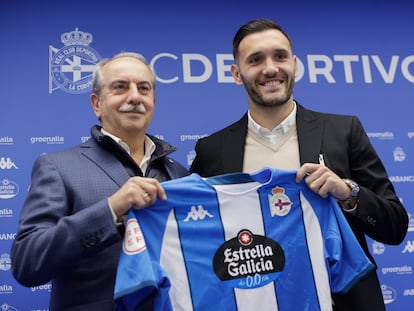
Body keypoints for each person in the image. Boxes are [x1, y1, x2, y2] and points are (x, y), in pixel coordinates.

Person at [190, 19, 408, 311]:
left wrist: (348, 192)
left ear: (294, 64)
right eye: (255, 60)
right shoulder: (211, 150)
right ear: (236, 74)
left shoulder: (343, 131)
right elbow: (198, 242)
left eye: (280, 56)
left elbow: (395, 228)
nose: (270, 68)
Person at [11, 52, 188, 310]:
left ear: (153, 100)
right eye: (120, 87)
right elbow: (27, 262)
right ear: (97, 104)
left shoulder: (181, 174)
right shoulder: (58, 167)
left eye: (143, 88)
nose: (134, 97)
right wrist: (110, 210)